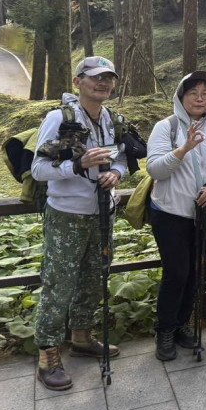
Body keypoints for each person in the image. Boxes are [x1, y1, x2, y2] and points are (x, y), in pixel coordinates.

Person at [32, 56, 128, 391]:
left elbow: (123, 157)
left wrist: (116, 172)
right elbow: (38, 170)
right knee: (59, 284)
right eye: (95, 78)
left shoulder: (111, 119)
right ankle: (47, 355)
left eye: (108, 78)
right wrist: (77, 165)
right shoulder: (59, 118)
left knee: (93, 276)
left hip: (103, 213)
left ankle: (82, 338)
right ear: (78, 81)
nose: (103, 83)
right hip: (67, 216)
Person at [146, 71, 206, 360]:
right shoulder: (166, 127)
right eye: (193, 92)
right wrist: (184, 148)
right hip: (171, 214)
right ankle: (165, 331)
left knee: (197, 274)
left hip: (204, 215)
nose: (200, 98)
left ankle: (183, 324)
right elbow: (156, 169)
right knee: (177, 273)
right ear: (180, 97)